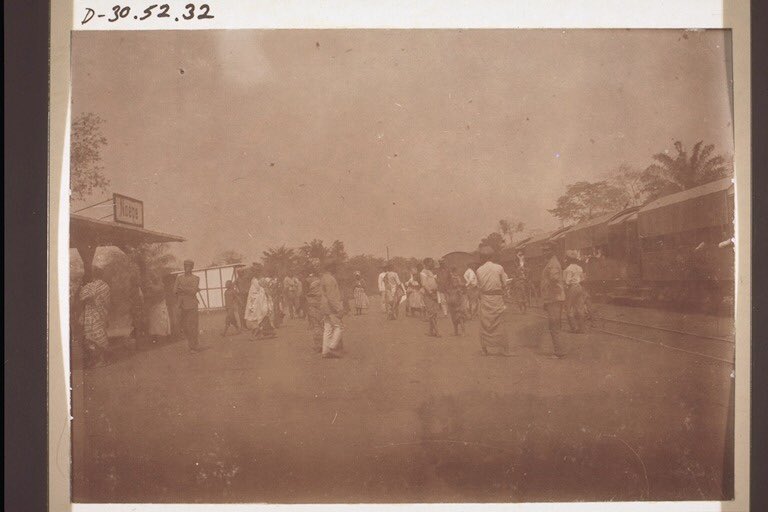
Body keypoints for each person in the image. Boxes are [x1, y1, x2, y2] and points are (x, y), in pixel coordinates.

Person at [476, 245, 513, 356]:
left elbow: (479, 286)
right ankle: (505, 350)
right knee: (500, 323)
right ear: (492, 256)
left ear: (482, 257)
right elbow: (505, 283)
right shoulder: (499, 268)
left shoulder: (478, 270)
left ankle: (484, 349)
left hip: (485, 299)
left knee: (485, 324)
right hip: (497, 299)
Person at [79, 267, 111, 367]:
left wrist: (91, 297)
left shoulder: (90, 287)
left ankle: (102, 359)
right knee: (98, 335)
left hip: (94, 312)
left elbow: (83, 298)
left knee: (94, 335)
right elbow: (107, 301)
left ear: (93, 275)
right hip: (100, 312)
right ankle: (99, 359)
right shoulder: (105, 286)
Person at [540, 242, 567, 359]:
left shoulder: (553, 264)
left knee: (554, 325)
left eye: (547, 250)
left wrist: (549, 293)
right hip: (554, 298)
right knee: (555, 325)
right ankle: (559, 350)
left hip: (554, 298)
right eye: (544, 250)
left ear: (552, 251)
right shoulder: (551, 262)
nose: (545, 252)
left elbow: (554, 279)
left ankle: (559, 352)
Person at [173, 260, 203, 352]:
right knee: (184, 327)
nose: (187, 268)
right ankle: (192, 344)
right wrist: (190, 289)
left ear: (192, 267)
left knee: (193, 326)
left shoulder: (196, 278)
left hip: (192, 305)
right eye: (185, 266)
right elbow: (174, 291)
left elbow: (193, 291)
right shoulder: (179, 278)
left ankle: (193, 346)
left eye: (189, 266)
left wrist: (182, 288)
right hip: (181, 305)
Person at [320, 258, 345, 358]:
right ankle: (331, 347)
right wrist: (339, 308)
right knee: (340, 327)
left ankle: (325, 351)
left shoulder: (323, 278)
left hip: (324, 306)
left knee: (328, 328)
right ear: (330, 268)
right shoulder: (330, 279)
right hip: (331, 307)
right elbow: (331, 297)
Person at [244, 274, 276, 339]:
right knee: (259, 316)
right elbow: (254, 296)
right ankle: (260, 333)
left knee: (262, 316)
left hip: (258, 305)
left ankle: (264, 332)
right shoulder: (255, 284)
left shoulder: (259, 286)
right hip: (256, 305)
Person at [563, 251, 587, 334]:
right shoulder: (580, 268)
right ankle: (582, 328)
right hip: (579, 287)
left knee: (568, 308)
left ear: (568, 260)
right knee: (580, 308)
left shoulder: (568, 269)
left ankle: (574, 327)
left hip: (572, 288)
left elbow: (567, 281)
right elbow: (583, 279)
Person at [305, 260, 324, 352]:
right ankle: (325, 344)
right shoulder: (322, 278)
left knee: (316, 325)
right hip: (321, 303)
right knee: (323, 323)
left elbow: (304, 293)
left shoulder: (307, 280)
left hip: (312, 303)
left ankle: (318, 345)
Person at [420, 258, 441, 337]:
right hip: (428, 294)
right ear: (426, 264)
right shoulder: (423, 272)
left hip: (433, 293)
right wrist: (431, 293)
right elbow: (424, 284)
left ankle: (430, 331)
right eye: (431, 263)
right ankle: (437, 332)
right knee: (432, 313)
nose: (432, 264)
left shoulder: (430, 272)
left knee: (434, 313)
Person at [446, 267, 469, 336]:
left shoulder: (451, 278)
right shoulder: (455, 278)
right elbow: (458, 285)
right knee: (458, 316)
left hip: (453, 299)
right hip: (456, 299)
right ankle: (462, 332)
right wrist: (464, 284)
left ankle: (458, 332)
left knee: (456, 316)